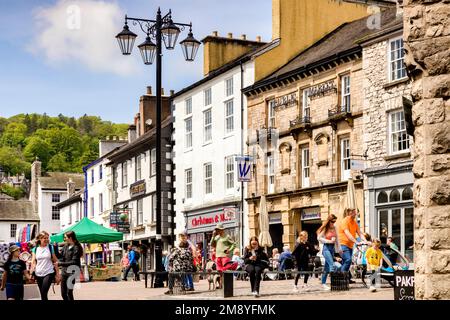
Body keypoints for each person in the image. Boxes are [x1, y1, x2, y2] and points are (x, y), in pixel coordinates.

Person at [30, 231, 61, 300]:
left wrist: (58, 275)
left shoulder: (50, 247)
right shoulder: (35, 249)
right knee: (42, 294)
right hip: (38, 273)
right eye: (45, 238)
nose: (47, 239)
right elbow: (33, 262)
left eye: (47, 238)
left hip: (49, 272)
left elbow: (55, 261)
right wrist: (31, 273)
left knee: (44, 292)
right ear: (40, 239)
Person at [338, 208, 366, 284]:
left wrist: (365, 241)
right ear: (349, 213)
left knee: (346, 262)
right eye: (354, 213)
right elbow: (347, 233)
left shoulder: (354, 223)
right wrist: (356, 242)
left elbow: (360, 233)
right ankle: (341, 278)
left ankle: (347, 278)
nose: (356, 214)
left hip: (350, 245)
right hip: (343, 244)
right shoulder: (344, 221)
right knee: (348, 260)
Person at [55, 231, 83, 301]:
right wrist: (55, 248)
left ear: (70, 238)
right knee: (63, 293)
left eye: (65, 237)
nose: (64, 239)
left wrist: (60, 264)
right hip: (64, 272)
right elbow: (60, 257)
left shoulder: (77, 247)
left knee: (69, 292)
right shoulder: (65, 246)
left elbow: (74, 262)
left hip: (72, 272)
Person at [317, 214, 342, 291]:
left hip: (332, 249)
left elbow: (337, 239)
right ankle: (334, 284)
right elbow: (319, 238)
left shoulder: (335, 228)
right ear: (329, 221)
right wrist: (329, 241)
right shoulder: (325, 228)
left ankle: (323, 283)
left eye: (335, 221)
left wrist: (340, 249)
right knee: (332, 265)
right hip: (326, 248)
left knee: (326, 268)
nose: (333, 223)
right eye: (332, 221)